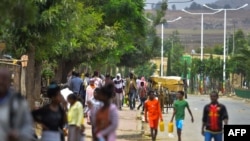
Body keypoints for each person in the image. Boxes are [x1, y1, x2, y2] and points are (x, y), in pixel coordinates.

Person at [0, 68, 35, 141]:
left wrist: (18, 134)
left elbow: (28, 126)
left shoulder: (19, 102)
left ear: (9, 81)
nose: (1, 82)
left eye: (4, 79)